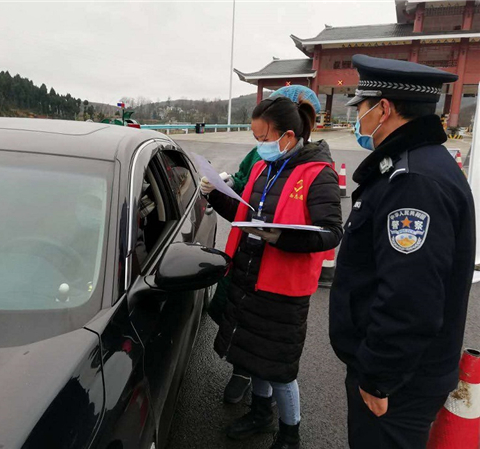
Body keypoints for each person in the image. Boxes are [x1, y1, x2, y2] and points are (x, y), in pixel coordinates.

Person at [329, 54, 475, 449]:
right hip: (402, 372)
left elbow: (410, 297)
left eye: (361, 108)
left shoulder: (413, 182)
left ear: (384, 108)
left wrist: (379, 378)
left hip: (400, 382)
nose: (358, 119)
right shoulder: (416, 165)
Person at [201, 95, 343, 448]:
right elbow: (243, 214)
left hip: (283, 290)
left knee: (279, 369)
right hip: (249, 277)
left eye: (264, 138)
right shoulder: (263, 168)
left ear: (288, 136)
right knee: (253, 358)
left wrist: (282, 238)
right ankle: (260, 413)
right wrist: (214, 194)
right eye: (256, 139)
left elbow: (331, 232)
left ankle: (290, 434)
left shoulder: (318, 173)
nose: (260, 146)